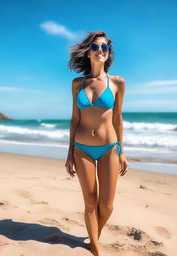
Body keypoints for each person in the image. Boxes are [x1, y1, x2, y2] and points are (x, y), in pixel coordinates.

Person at [65, 31, 129, 256]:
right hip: (81, 149)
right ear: (88, 52)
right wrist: (69, 152)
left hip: (109, 148)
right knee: (90, 201)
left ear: (108, 53)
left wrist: (121, 151)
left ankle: (93, 237)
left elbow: (118, 118)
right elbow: (74, 119)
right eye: (95, 47)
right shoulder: (77, 84)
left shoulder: (118, 83)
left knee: (107, 206)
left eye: (104, 47)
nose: (100, 50)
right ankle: (95, 247)